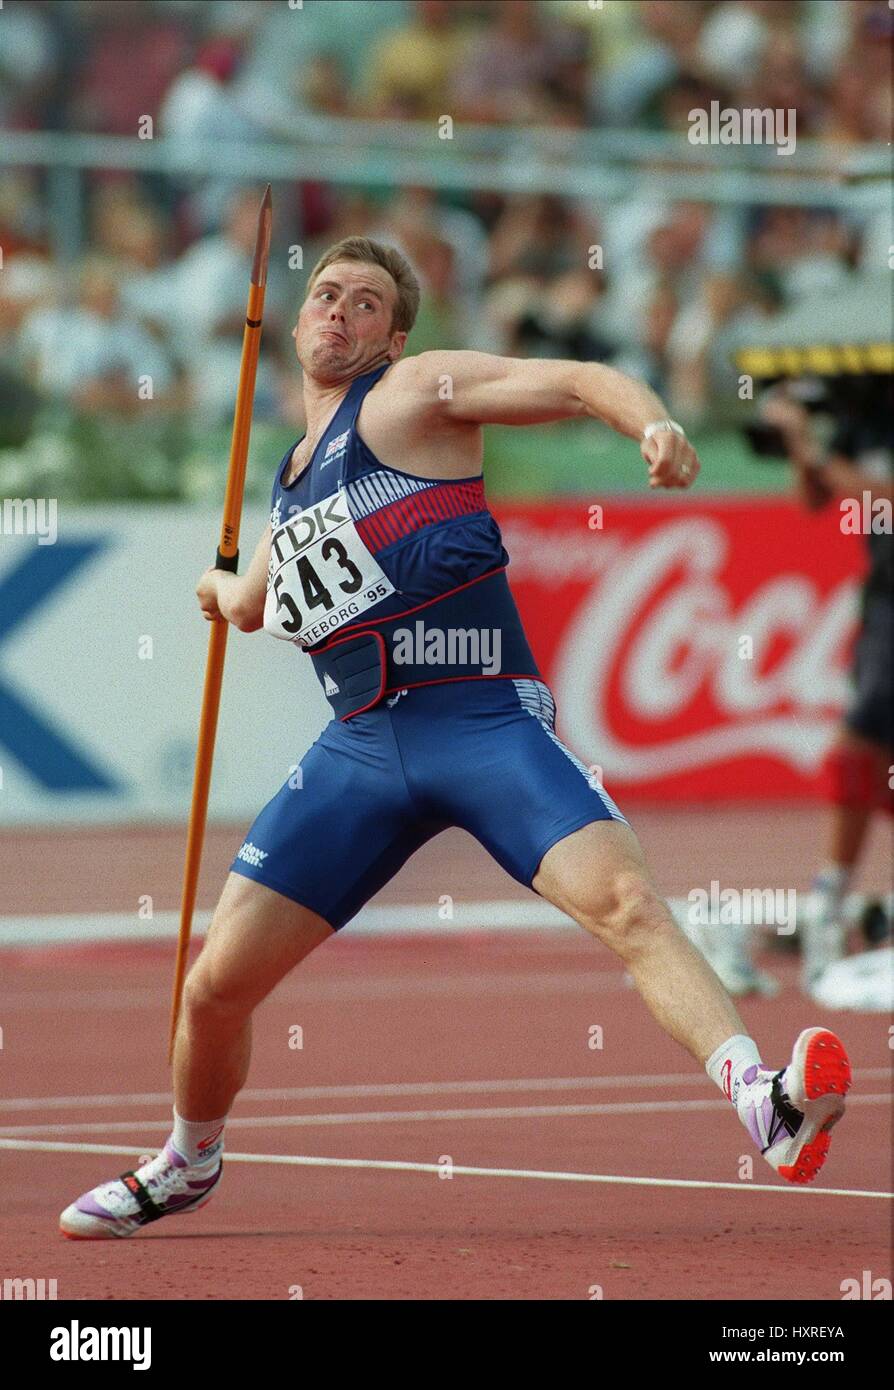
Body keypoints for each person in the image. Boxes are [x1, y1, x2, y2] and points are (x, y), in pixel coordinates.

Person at [60, 237, 850, 1239]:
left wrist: (650, 422)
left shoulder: (413, 397)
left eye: (366, 303)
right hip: (360, 748)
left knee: (627, 904)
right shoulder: (291, 480)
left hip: (480, 718)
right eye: (325, 294)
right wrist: (215, 588)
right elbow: (254, 601)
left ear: (393, 335)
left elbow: (568, 378)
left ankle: (765, 1100)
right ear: (298, 320)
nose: (338, 311)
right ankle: (187, 1159)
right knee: (215, 987)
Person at [762, 386, 893, 995]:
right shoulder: (861, 411)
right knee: (866, 749)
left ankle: (830, 902)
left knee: (859, 742)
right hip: (885, 600)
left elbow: (885, 499)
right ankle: (831, 900)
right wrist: (800, 449)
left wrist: (822, 456)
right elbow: (814, 501)